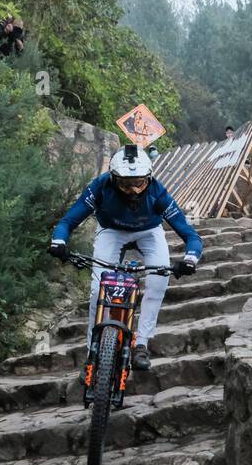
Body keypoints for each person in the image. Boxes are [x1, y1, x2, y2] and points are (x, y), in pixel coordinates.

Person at [48, 144, 202, 371]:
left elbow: (190, 235)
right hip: (111, 231)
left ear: (149, 178)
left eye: (139, 183)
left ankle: (142, 344)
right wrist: (58, 241)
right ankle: (93, 352)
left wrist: (190, 259)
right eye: (126, 184)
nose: (133, 190)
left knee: (159, 281)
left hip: (149, 231)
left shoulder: (158, 192)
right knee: (96, 289)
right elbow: (68, 221)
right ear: (113, 178)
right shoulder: (99, 187)